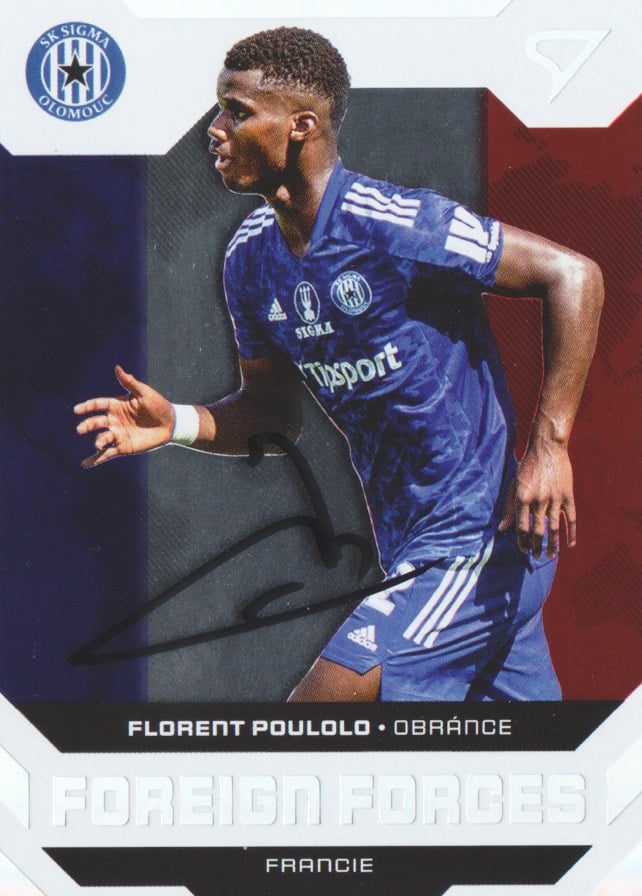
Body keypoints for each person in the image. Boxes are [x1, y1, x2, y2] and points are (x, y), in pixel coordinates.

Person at [74, 27, 603, 702]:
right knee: (525, 762)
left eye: (237, 111)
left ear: (301, 126)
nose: (216, 129)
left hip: (474, 542)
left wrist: (550, 447)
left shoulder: (396, 225)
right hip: (411, 548)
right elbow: (272, 417)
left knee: (310, 722)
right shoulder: (250, 261)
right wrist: (175, 421)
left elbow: (574, 275)